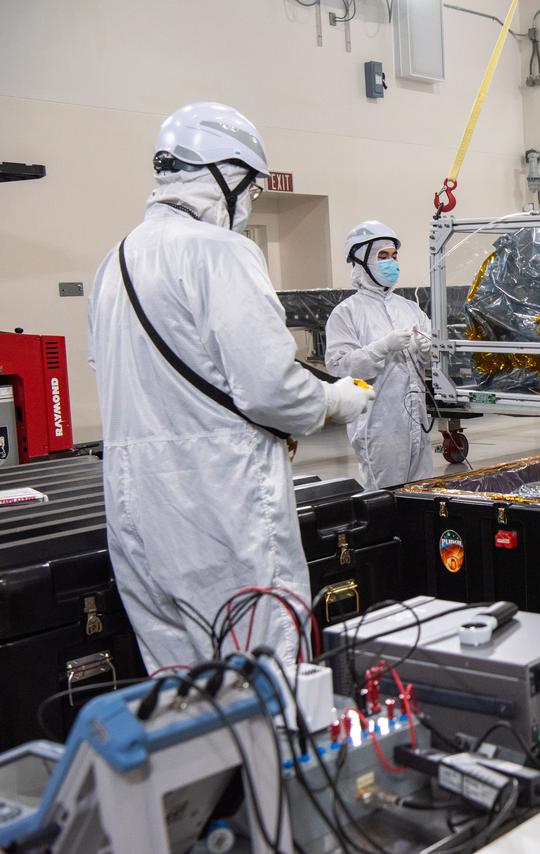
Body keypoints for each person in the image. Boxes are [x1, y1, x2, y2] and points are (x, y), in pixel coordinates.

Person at [87, 102, 374, 672]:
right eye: (253, 190)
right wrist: (338, 398)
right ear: (226, 175)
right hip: (218, 498)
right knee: (264, 670)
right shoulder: (220, 253)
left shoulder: (112, 262)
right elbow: (272, 391)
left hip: (134, 503)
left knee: (182, 683)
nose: (249, 207)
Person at [325, 221, 434, 488]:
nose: (391, 263)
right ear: (361, 261)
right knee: (387, 499)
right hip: (378, 425)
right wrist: (381, 347)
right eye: (382, 256)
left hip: (417, 421)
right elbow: (339, 367)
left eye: (394, 256)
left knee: (423, 496)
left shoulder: (409, 308)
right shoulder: (347, 312)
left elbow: (434, 355)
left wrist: (429, 351)